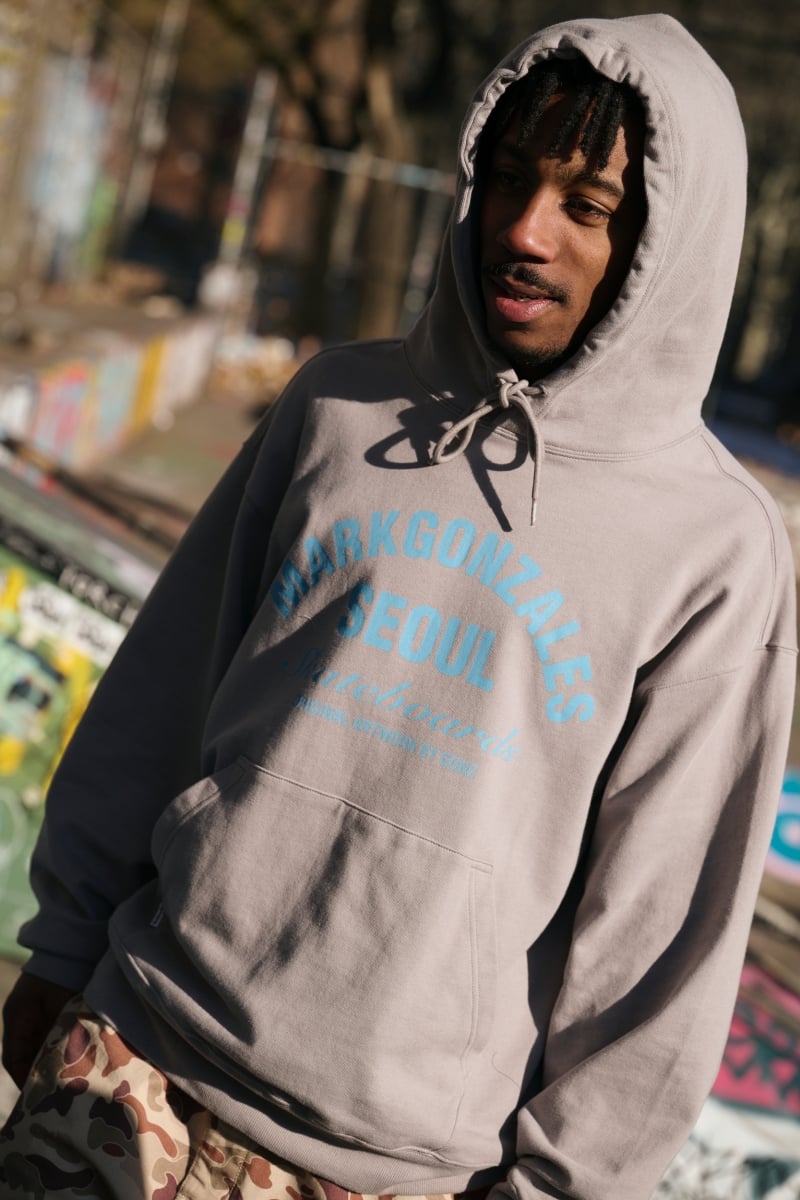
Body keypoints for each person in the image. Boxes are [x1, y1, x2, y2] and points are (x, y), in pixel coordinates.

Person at [1, 13, 796, 1200]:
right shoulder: (339, 407)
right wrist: (66, 944)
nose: (523, 231)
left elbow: (660, 933)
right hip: (133, 1064)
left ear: (663, 244)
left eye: (585, 205)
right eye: (509, 180)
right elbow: (158, 700)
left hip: (387, 1171)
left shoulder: (711, 548)